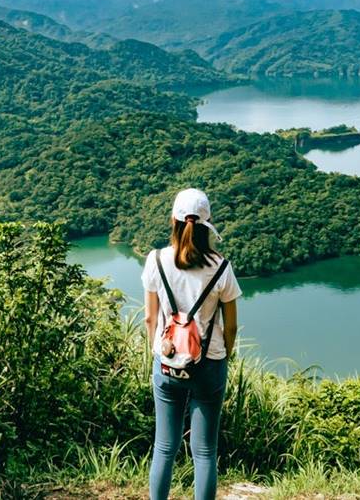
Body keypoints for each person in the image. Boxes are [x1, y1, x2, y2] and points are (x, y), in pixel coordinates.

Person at [142, 188, 241, 500]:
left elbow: (149, 318)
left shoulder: (156, 260)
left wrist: (157, 353)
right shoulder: (221, 268)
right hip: (209, 365)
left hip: (167, 363)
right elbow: (232, 324)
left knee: (164, 447)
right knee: (204, 453)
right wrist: (226, 354)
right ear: (206, 225)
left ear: (173, 220)